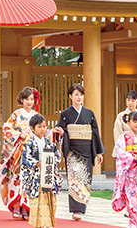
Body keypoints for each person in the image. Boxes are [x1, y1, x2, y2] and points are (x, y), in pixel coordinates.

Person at [56, 83, 104, 221]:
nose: (79, 97)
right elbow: (61, 130)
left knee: (85, 180)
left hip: (87, 151)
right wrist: (61, 133)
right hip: (72, 151)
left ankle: (82, 208)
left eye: (81, 94)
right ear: (70, 96)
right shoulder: (65, 114)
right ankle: (76, 210)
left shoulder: (89, 113)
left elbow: (95, 133)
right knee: (74, 181)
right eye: (76, 94)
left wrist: (98, 152)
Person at [0, 86, 42, 220]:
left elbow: (43, 132)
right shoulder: (16, 115)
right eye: (26, 99)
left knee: (30, 179)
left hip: (32, 153)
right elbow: (6, 128)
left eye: (31, 99)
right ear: (22, 100)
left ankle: (27, 207)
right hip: (18, 152)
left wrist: (52, 133)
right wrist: (19, 135)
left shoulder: (37, 116)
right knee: (18, 178)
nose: (29, 102)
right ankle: (17, 205)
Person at [21, 113, 62, 228]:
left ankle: (48, 223)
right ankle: (39, 224)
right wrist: (37, 164)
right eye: (39, 127)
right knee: (37, 201)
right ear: (32, 129)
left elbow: (57, 156)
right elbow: (26, 159)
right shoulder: (29, 143)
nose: (43, 129)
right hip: (36, 177)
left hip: (48, 174)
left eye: (44, 126)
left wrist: (52, 162)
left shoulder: (49, 143)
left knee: (51, 200)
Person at [113, 90, 137, 158]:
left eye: (133, 100)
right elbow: (117, 133)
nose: (130, 103)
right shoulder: (121, 116)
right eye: (128, 100)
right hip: (124, 149)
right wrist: (122, 149)